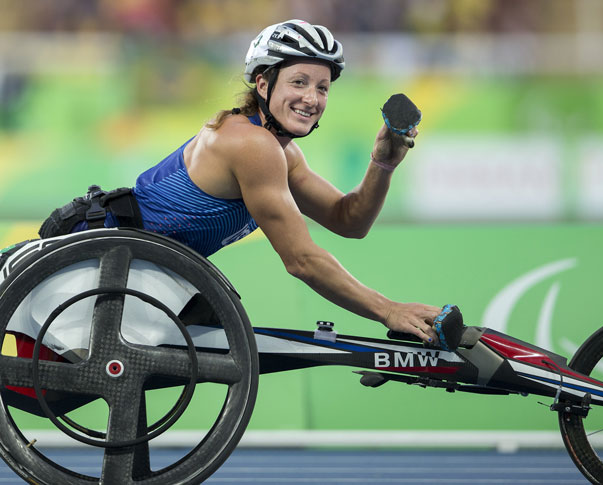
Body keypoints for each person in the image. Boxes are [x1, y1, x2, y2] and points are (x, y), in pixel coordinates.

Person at [40, 19, 442, 344]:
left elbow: (349, 221)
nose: (313, 98)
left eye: (322, 87)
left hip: (133, 271)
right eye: (299, 82)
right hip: (89, 262)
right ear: (264, 84)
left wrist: (382, 164)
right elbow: (302, 260)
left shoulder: (280, 152)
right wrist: (389, 311)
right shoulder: (251, 144)